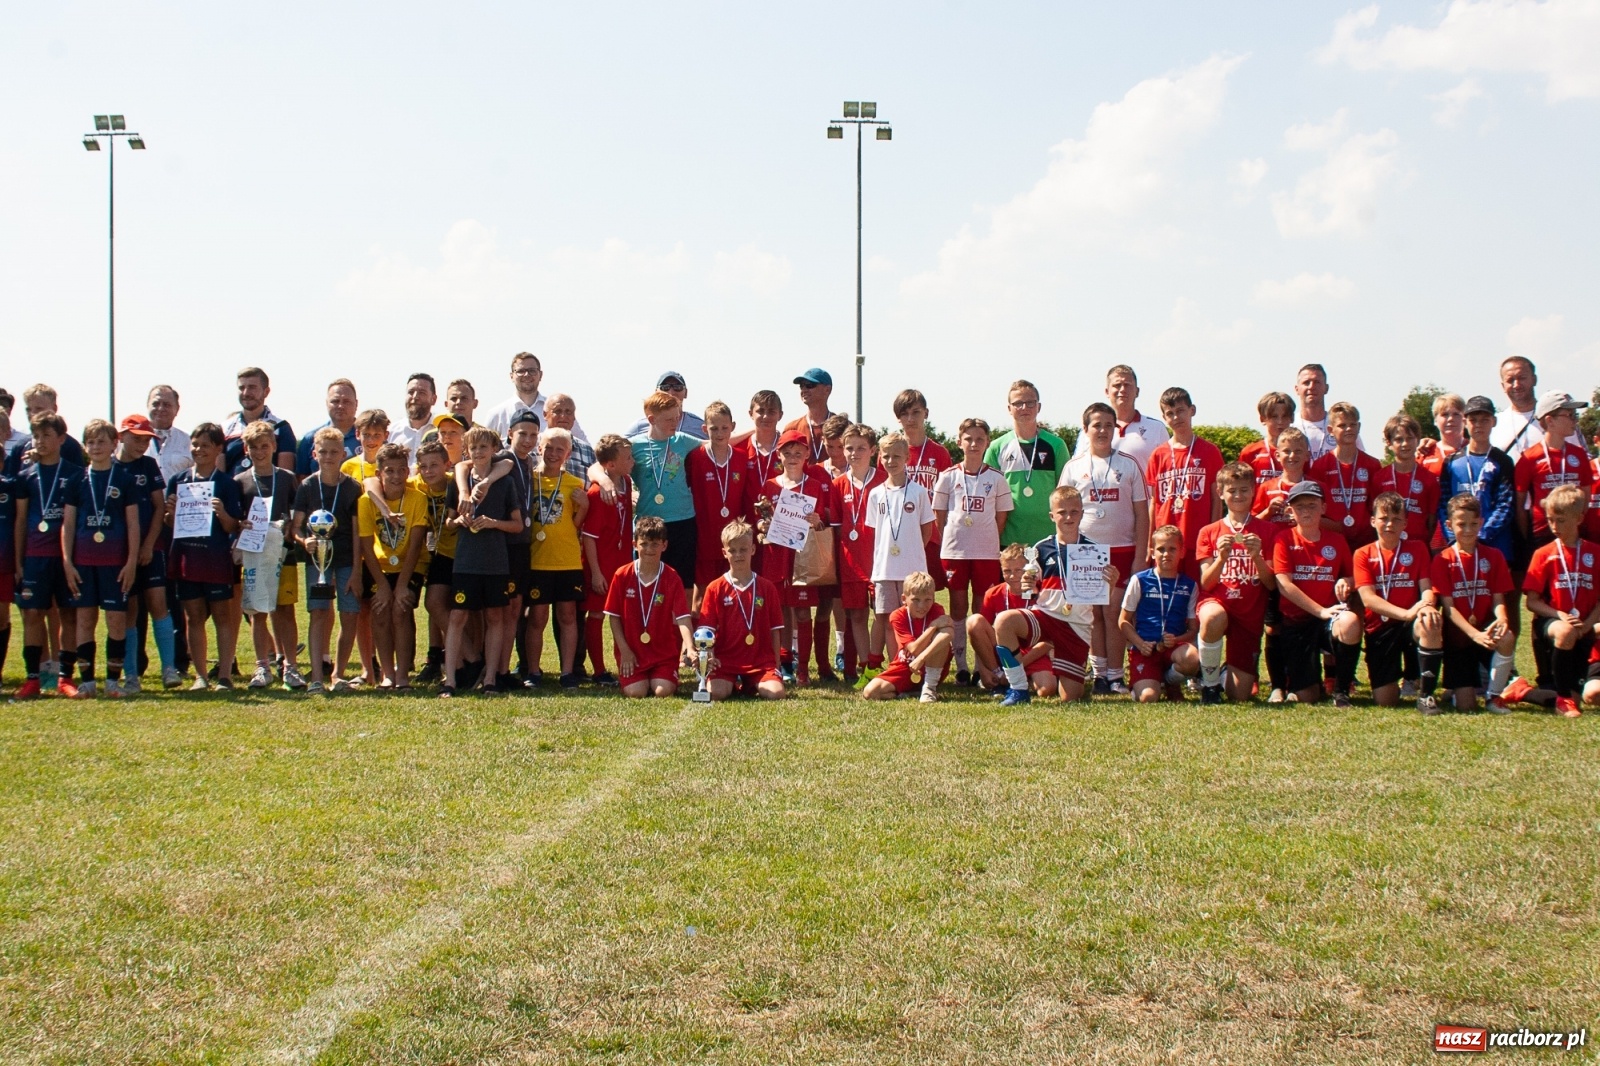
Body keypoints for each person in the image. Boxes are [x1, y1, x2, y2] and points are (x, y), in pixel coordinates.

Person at [988, 485, 1118, 706]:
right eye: (1062, 512)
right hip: (1046, 616)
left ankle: (1072, 677)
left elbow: (1098, 597)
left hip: (1076, 626)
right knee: (1004, 621)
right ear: (1052, 515)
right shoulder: (1041, 548)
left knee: (1070, 698)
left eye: (1074, 511)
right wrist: (1028, 583)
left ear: (1082, 513)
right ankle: (1018, 689)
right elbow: (1031, 589)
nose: (1068, 517)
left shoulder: (1095, 551)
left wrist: (1111, 584)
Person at [1060, 402, 1148, 695]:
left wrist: (1139, 558)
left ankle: (1115, 675)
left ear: (1115, 429)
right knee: (1092, 615)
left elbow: (1142, 515)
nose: (1102, 430)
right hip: (1085, 552)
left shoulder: (1128, 464)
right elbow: (1061, 511)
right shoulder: (1073, 468)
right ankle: (1099, 674)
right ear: (1085, 430)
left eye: (1108, 425)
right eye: (1096, 425)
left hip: (1122, 550)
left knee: (1114, 613)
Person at [61, 419, 141, 698]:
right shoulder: (76, 480)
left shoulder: (124, 480)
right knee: (85, 620)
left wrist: (131, 562)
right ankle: (86, 681)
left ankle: (112, 681)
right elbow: (68, 524)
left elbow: (133, 524)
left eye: (101, 441)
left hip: (115, 563)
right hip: (83, 561)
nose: (96, 447)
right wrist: (67, 562)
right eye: (91, 442)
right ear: (85, 446)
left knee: (116, 621)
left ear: (113, 445)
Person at [441, 427, 520, 697]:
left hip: (496, 562)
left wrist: (493, 523)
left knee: (495, 616)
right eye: (473, 448)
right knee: (457, 616)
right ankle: (449, 680)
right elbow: (448, 523)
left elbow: (518, 525)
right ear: (467, 451)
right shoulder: (459, 481)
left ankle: (490, 679)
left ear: (493, 449)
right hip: (465, 562)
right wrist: (459, 521)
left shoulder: (505, 482)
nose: (478, 452)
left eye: (483, 447)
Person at [933, 418, 1012, 685]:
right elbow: (939, 515)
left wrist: (987, 539)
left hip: (986, 552)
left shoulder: (996, 478)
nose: (974, 444)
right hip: (955, 550)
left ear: (987, 442)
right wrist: (952, 539)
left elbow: (1001, 518)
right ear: (959, 442)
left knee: (981, 608)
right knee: (957, 606)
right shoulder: (948, 476)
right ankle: (961, 666)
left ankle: (982, 667)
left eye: (979, 439)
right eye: (968, 439)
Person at [1431, 494, 1527, 713]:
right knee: (1467, 707)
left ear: (1481, 523)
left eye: (1473, 524)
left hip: (1485, 629)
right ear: (1448, 525)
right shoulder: (1442, 559)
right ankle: (1458, 692)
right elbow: (1448, 607)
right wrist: (1473, 634)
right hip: (1458, 636)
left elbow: (1498, 600)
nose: (1467, 530)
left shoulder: (1494, 556)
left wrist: (1502, 617)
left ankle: (1494, 697)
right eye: (1461, 524)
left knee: (1507, 636)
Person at [754, 429, 835, 685]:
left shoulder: (812, 486)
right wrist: (762, 527)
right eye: (787, 453)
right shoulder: (770, 485)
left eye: (797, 453)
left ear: (807, 455)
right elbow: (761, 522)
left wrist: (816, 521)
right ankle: (783, 662)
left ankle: (803, 669)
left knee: (802, 612)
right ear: (779, 455)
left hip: (802, 558)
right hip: (776, 556)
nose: (792, 458)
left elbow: (822, 523)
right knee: (780, 612)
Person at [166, 423, 244, 691]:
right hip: (187, 557)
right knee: (193, 617)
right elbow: (169, 523)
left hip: (216, 559)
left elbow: (233, 526)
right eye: (195, 444)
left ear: (218, 449)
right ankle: (200, 676)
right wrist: (171, 513)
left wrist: (222, 513)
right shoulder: (178, 481)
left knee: (223, 616)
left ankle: (224, 675)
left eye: (206, 445)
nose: (199, 450)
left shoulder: (227, 484)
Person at [1271, 481, 1362, 706]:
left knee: (1350, 621)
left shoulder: (1337, 540)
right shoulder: (1283, 539)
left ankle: (1341, 691)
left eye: (1312, 505)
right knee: (1307, 697)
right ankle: (1307, 682)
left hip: (1328, 618)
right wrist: (1319, 610)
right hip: (1297, 621)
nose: (1306, 511)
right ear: (1291, 511)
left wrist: (1345, 581)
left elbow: (1354, 577)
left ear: (1323, 508)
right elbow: (1284, 585)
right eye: (1299, 506)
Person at [12, 413, 83, 698]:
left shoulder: (74, 474)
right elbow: (20, 521)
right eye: (36, 436)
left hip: (65, 557)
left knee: (68, 614)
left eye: (46, 436)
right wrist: (19, 561)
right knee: (32, 613)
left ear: (61, 439)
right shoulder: (25, 476)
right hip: (35, 557)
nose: (40, 442)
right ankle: (33, 679)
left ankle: (66, 677)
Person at [1353, 492, 1444, 712]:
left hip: (1411, 623)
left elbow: (1427, 590)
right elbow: (1368, 599)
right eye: (1384, 518)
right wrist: (1406, 613)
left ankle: (1426, 696)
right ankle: (1397, 680)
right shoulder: (1362, 554)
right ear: (1373, 521)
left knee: (1431, 620)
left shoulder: (1418, 548)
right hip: (1381, 626)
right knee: (1386, 701)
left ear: (1405, 523)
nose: (1389, 524)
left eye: (1396, 519)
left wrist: (1426, 605)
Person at [1195, 462, 1276, 704]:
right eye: (1232, 490)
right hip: (1217, 602)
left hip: (1249, 614)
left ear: (1253, 491)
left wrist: (1257, 557)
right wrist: (1221, 558)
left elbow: (1272, 584)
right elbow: (1206, 583)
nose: (1238, 495)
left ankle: (1222, 672)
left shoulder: (1268, 531)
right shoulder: (1209, 531)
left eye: (1244, 489)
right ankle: (1209, 687)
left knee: (1239, 696)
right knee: (1212, 617)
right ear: (1221, 493)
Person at [291, 427, 364, 694]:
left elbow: (358, 532)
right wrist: (303, 541)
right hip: (318, 561)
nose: (329, 456)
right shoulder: (307, 486)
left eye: (334, 452)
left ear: (343, 453)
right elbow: (296, 527)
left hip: (346, 559)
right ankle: (317, 678)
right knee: (318, 613)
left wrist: (357, 569)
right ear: (314, 453)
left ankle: (339, 675)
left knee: (350, 614)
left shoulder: (352, 487)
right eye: (323, 452)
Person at [114, 414, 180, 691]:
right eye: (136, 438)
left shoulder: (149, 465)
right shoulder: (111, 467)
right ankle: (131, 674)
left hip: (152, 548)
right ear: (121, 436)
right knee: (128, 610)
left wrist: (149, 544)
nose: (141, 444)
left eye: (146, 440)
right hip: (118, 552)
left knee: (158, 605)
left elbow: (159, 507)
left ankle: (169, 669)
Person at [1522, 485, 1600, 716]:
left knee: (1588, 697)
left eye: (1561, 520)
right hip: (1553, 624)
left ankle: (1522, 691)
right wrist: (1559, 615)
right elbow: (1532, 602)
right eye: (1550, 520)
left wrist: (1587, 625)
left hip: (1584, 626)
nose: (1554, 527)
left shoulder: (1594, 553)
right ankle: (1564, 699)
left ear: (1579, 519)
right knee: (1565, 632)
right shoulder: (1543, 554)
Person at [235, 420, 302, 689]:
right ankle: (262, 666)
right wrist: (241, 525)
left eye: (265, 446)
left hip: (283, 554)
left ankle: (291, 667)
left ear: (274, 446)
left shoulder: (286, 478)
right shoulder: (239, 482)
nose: (260, 451)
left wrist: (292, 528)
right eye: (254, 447)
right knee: (257, 611)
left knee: (284, 609)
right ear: (246, 450)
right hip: (253, 554)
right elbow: (235, 518)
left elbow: (298, 511)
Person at [358, 443, 428, 689]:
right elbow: (367, 546)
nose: (396, 476)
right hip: (379, 568)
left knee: (401, 610)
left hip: (409, 567)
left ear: (407, 473)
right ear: (379, 474)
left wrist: (400, 587)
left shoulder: (418, 498)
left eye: (401, 470)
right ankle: (387, 673)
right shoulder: (367, 502)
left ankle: (403, 675)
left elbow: (416, 543)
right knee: (379, 610)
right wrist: (382, 586)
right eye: (389, 471)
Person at [604, 516, 694, 698]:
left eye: (654, 544)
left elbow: (683, 617)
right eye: (644, 544)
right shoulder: (622, 575)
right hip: (632, 652)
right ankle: (639, 675)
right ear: (634, 544)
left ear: (664, 545)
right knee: (636, 692)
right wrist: (625, 651)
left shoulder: (672, 577)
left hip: (663, 654)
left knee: (663, 690)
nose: (649, 549)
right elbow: (614, 617)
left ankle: (665, 674)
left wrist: (690, 647)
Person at [527, 427, 589, 688]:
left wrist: (584, 506)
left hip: (567, 561)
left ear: (568, 453)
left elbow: (576, 525)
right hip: (537, 561)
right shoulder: (529, 480)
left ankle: (567, 672)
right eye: (549, 447)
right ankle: (532, 671)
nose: (553, 453)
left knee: (567, 617)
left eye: (559, 449)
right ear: (539, 447)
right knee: (537, 618)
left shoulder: (575, 484)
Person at [865, 432, 935, 661]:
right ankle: (897, 665)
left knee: (913, 619)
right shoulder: (875, 494)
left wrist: (912, 552)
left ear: (907, 458)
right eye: (886, 456)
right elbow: (875, 532)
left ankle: (912, 663)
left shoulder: (918, 492)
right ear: (880, 459)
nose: (891, 461)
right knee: (887, 619)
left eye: (897, 456)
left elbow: (926, 531)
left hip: (912, 571)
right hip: (885, 569)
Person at [699, 519, 786, 700]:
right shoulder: (715, 588)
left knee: (776, 694)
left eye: (743, 549)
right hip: (726, 662)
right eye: (732, 550)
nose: (738, 555)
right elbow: (705, 633)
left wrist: (776, 665)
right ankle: (735, 683)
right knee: (716, 693)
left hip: (760, 662)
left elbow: (775, 631)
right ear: (724, 553)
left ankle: (751, 682)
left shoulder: (766, 587)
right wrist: (710, 658)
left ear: (753, 549)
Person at [1145, 386, 1224, 578]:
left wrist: (1213, 537)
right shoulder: (1158, 454)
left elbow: (1217, 500)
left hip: (1197, 539)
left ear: (1192, 410)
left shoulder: (1209, 451)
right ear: (1164, 418)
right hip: (1166, 543)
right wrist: (1150, 543)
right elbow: (1154, 503)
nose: (1176, 418)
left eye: (1180, 411)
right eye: (1170, 413)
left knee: (1196, 594)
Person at [626, 390, 700, 592]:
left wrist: (753, 432)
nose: (674, 423)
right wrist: (604, 481)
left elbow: (717, 444)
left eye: (677, 418)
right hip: (648, 522)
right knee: (647, 581)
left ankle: (682, 624)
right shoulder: (633, 445)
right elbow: (603, 463)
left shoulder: (681, 440)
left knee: (684, 582)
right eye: (669, 419)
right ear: (651, 419)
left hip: (683, 520)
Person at [1118, 525, 1201, 703]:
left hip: (1173, 649)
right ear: (1152, 552)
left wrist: (1178, 639)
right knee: (1149, 697)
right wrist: (1140, 644)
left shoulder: (1189, 585)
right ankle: (1143, 684)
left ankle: (1170, 683)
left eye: (1172, 549)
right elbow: (1123, 621)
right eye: (1161, 549)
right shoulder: (1140, 580)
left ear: (1182, 552)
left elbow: (1194, 629)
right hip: (1145, 649)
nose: (1166, 554)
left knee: (1192, 658)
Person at [685, 402, 754, 610]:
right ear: (705, 430)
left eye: (724, 428)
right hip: (704, 539)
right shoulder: (695, 457)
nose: (720, 433)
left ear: (732, 426)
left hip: (734, 541)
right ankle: (700, 642)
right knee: (702, 598)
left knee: (733, 595)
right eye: (714, 428)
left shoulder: (742, 457)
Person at [985, 379, 1068, 548]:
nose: (1024, 408)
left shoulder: (1056, 445)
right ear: (1009, 408)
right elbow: (987, 492)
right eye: (1018, 403)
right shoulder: (997, 447)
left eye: (1030, 403)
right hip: (1009, 539)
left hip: (1049, 538)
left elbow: (1065, 491)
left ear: (1039, 407)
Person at [581, 434, 635, 684]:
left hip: (622, 565)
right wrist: (596, 573)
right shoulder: (596, 493)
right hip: (601, 566)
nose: (633, 461)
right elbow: (589, 537)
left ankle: (625, 663)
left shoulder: (624, 481)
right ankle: (599, 670)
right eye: (628, 458)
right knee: (596, 614)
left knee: (621, 615)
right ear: (610, 464)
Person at [833, 423, 884, 681]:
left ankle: (878, 660)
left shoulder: (884, 481)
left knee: (883, 614)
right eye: (849, 448)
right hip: (850, 561)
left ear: (873, 450)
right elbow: (834, 524)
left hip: (881, 561)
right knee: (856, 614)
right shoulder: (837, 484)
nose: (854, 453)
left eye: (861, 448)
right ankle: (865, 666)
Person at [965, 543, 1053, 690]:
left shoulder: (1042, 592)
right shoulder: (993, 593)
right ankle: (998, 676)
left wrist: (1017, 667)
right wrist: (984, 670)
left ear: (1030, 569)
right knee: (974, 621)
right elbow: (980, 637)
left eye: (1019, 570)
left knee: (1047, 689)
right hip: (1003, 651)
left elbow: (1049, 641)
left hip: (1032, 652)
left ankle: (1015, 681)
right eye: (1007, 571)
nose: (1012, 576)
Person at [1513, 390, 1592, 553]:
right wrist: (1526, 539)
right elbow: (1519, 504)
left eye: (1575, 415)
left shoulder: (1579, 454)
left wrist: (1574, 521)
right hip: (1542, 534)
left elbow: (1586, 495)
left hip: (1574, 532)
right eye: (1569, 415)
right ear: (1550, 421)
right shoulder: (1530, 458)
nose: (1575, 420)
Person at [895, 389, 954, 592]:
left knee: (926, 590)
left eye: (916, 412)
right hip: (900, 531)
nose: (910, 419)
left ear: (926, 413)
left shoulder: (939, 453)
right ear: (898, 418)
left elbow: (948, 497)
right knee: (901, 589)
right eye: (904, 413)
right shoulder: (891, 452)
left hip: (931, 533)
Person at [863, 570, 953, 703]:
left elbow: (949, 633)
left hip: (931, 664)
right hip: (906, 665)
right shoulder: (897, 615)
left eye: (927, 600)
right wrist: (933, 626)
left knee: (945, 633)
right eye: (916, 600)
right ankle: (911, 693)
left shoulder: (936, 609)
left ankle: (929, 688)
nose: (922, 606)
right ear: (904, 599)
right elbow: (913, 649)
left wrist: (921, 659)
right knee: (869, 692)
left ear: (933, 598)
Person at [411, 441, 458, 686]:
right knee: (434, 603)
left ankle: (470, 658)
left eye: (434, 465)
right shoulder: (417, 484)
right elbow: (375, 482)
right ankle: (462, 657)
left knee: (469, 612)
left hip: (461, 553)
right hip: (439, 553)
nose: (428, 471)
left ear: (447, 465)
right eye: (423, 466)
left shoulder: (457, 483)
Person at [1309, 402, 1382, 548]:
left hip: (1366, 540)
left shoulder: (1372, 465)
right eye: (1342, 425)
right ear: (1330, 430)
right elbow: (1316, 507)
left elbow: (1377, 505)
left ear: (1359, 427)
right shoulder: (1320, 466)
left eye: (1352, 424)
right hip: (1330, 540)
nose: (1348, 429)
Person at [1074, 365, 1169, 472]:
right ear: (1107, 391)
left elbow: (1168, 471)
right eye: (1117, 385)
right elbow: (1077, 470)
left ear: (1137, 391)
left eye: (1127, 385)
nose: (1122, 390)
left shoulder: (1156, 428)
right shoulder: (1089, 431)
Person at [483, 352, 587, 443]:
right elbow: (484, 450)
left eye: (532, 370)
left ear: (540, 375)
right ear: (511, 376)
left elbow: (584, 445)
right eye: (521, 371)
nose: (527, 375)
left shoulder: (558, 410)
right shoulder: (497, 415)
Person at [1377, 413, 1440, 547]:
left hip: (1419, 547)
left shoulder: (1429, 479)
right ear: (1389, 443)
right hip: (1387, 547)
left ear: (1417, 439)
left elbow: (1431, 520)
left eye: (1410, 438)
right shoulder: (1380, 478)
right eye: (1399, 439)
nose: (1405, 444)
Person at [221, 366, 296, 474]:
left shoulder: (280, 428)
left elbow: (285, 477)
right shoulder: (224, 428)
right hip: (231, 490)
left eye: (252, 387)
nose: (246, 393)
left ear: (266, 392)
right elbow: (218, 474)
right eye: (241, 388)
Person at [1292, 363, 1367, 460]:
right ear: (1297, 389)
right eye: (1306, 382)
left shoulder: (1341, 425)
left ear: (1326, 388)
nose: (1311, 387)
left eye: (1317, 382)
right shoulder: (1290, 425)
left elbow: (1360, 460)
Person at [294, 379, 360, 477]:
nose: (341, 406)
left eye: (346, 401)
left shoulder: (369, 437)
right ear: (326, 403)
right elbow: (301, 478)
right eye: (335, 401)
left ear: (356, 404)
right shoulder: (310, 439)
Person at [624, 372, 705, 440]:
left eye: (678, 387)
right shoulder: (638, 427)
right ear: (656, 393)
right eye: (665, 388)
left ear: (686, 393)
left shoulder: (700, 426)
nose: (671, 392)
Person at [20, 385, 87, 466]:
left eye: (39, 409)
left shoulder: (70, 446)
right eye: (28, 409)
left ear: (54, 408)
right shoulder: (20, 446)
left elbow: (78, 475)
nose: (32, 413)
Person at [783, 368, 838, 464]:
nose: (804, 390)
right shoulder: (792, 428)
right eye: (801, 386)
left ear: (827, 389)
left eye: (809, 385)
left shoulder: (844, 427)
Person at [1240, 392, 1295, 485]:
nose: (1280, 422)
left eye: (1284, 416)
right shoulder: (1250, 452)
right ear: (1262, 419)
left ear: (1292, 418)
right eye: (1274, 417)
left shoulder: (1298, 453)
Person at [145, 385, 192, 484]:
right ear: (147, 405)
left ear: (177, 409)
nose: (161, 408)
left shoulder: (190, 441)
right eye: (156, 403)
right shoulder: (130, 441)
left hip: (178, 499)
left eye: (167, 405)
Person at [389, 373, 438, 464]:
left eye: (422, 393)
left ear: (433, 399)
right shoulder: (391, 432)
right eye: (411, 392)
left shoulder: (441, 431)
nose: (415, 397)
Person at [545, 395, 595, 483]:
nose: (563, 416)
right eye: (558, 411)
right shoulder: (533, 446)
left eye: (568, 412)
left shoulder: (587, 451)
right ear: (545, 414)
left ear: (574, 416)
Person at [1417, 392, 1467, 478]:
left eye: (1456, 414)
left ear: (1465, 419)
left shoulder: (1474, 450)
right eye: (1445, 414)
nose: (1451, 419)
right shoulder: (1425, 453)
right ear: (1435, 420)